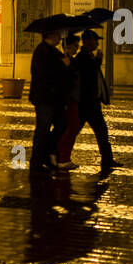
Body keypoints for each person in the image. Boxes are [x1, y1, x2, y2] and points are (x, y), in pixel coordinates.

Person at [76, 28, 120, 170]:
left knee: (101, 131)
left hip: (91, 103)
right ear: (88, 41)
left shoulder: (88, 56)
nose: (97, 44)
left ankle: (108, 160)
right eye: (96, 41)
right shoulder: (83, 57)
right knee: (76, 131)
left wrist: (96, 61)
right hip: (87, 103)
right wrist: (97, 62)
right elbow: (87, 78)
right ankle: (55, 154)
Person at [28, 29, 67, 171]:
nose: (60, 37)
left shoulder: (53, 51)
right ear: (50, 35)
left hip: (53, 98)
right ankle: (36, 161)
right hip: (45, 98)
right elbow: (46, 73)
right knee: (42, 129)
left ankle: (45, 154)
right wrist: (62, 65)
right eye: (57, 34)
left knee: (61, 125)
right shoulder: (42, 51)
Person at [53, 34, 83, 170]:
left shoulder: (71, 59)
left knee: (71, 127)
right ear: (69, 46)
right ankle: (61, 156)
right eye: (76, 45)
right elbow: (64, 80)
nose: (78, 48)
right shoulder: (62, 60)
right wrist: (67, 67)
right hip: (68, 99)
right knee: (71, 127)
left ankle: (61, 155)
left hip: (74, 98)